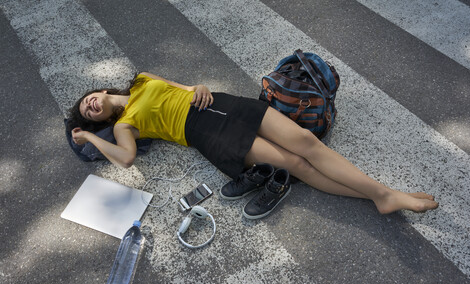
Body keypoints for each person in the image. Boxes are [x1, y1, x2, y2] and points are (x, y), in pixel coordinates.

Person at [69, 72, 439, 215]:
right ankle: (381, 196)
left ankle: (382, 194)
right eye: (90, 114)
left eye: (89, 101)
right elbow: (126, 159)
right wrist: (86, 137)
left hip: (220, 102)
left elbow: (183, 87)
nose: (91, 107)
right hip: (205, 133)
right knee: (297, 166)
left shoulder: (140, 80)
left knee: (306, 141)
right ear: (102, 121)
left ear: (100, 91)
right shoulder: (125, 126)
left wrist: (197, 86)